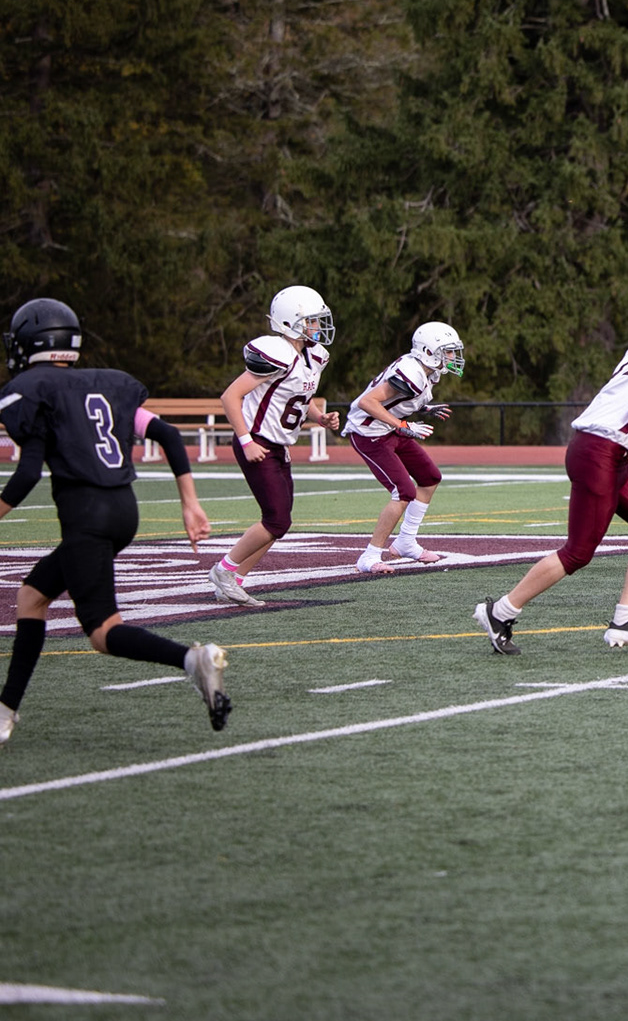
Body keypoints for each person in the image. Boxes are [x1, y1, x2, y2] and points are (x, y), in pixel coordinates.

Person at [0, 298, 229, 746]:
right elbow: (165, 433)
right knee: (31, 595)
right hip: (124, 510)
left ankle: (192, 660)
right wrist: (190, 502)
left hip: (87, 516)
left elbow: (28, 473)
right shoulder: (104, 384)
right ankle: (7, 709)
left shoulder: (34, 389)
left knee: (104, 632)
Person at [473, 305, 628, 655]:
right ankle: (500, 612)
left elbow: (613, 426)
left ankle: (625, 619)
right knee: (577, 553)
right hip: (599, 455)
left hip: (606, 453)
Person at [207, 285, 340, 607]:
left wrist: (319, 417)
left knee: (280, 522)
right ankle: (223, 570)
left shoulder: (314, 355)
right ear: (289, 322)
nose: (318, 327)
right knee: (276, 519)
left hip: (278, 444)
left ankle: (234, 581)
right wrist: (246, 441)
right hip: (257, 442)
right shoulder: (276, 352)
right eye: (311, 321)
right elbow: (230, 397)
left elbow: (298, 397)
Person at [345, 322, 464, 574]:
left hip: (390, 429)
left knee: (430, 477)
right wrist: (401, 424)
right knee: (403, 491)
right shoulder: (411, 372)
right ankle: (370, 556)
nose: (453, 357)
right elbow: (367, 402)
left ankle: (406, 542)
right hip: (369, 433)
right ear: (428, 351)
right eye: (448, 351)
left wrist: (422, 409)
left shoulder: (426, 369)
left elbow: (398, 400)